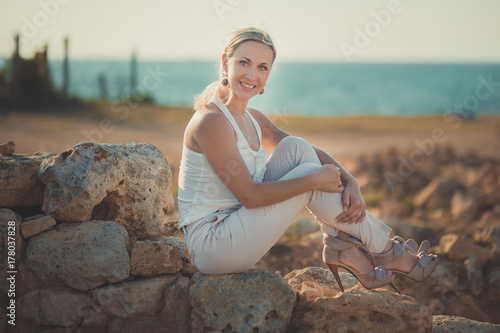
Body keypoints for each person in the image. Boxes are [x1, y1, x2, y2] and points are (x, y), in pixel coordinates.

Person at [178, 27, 438, 292]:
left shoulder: (253, 119)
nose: (251, 75)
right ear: (225, 62)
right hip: (214, 244)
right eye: (243, 62)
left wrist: (351, 180)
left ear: (269, 74)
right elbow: (250, 197)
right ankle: (383, 250)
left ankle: (347, 247)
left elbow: (306, 152)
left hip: (240, 223)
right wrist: (313, 180)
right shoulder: (211, 121)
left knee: (296, 147)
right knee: (310, 175)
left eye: (262, 67)